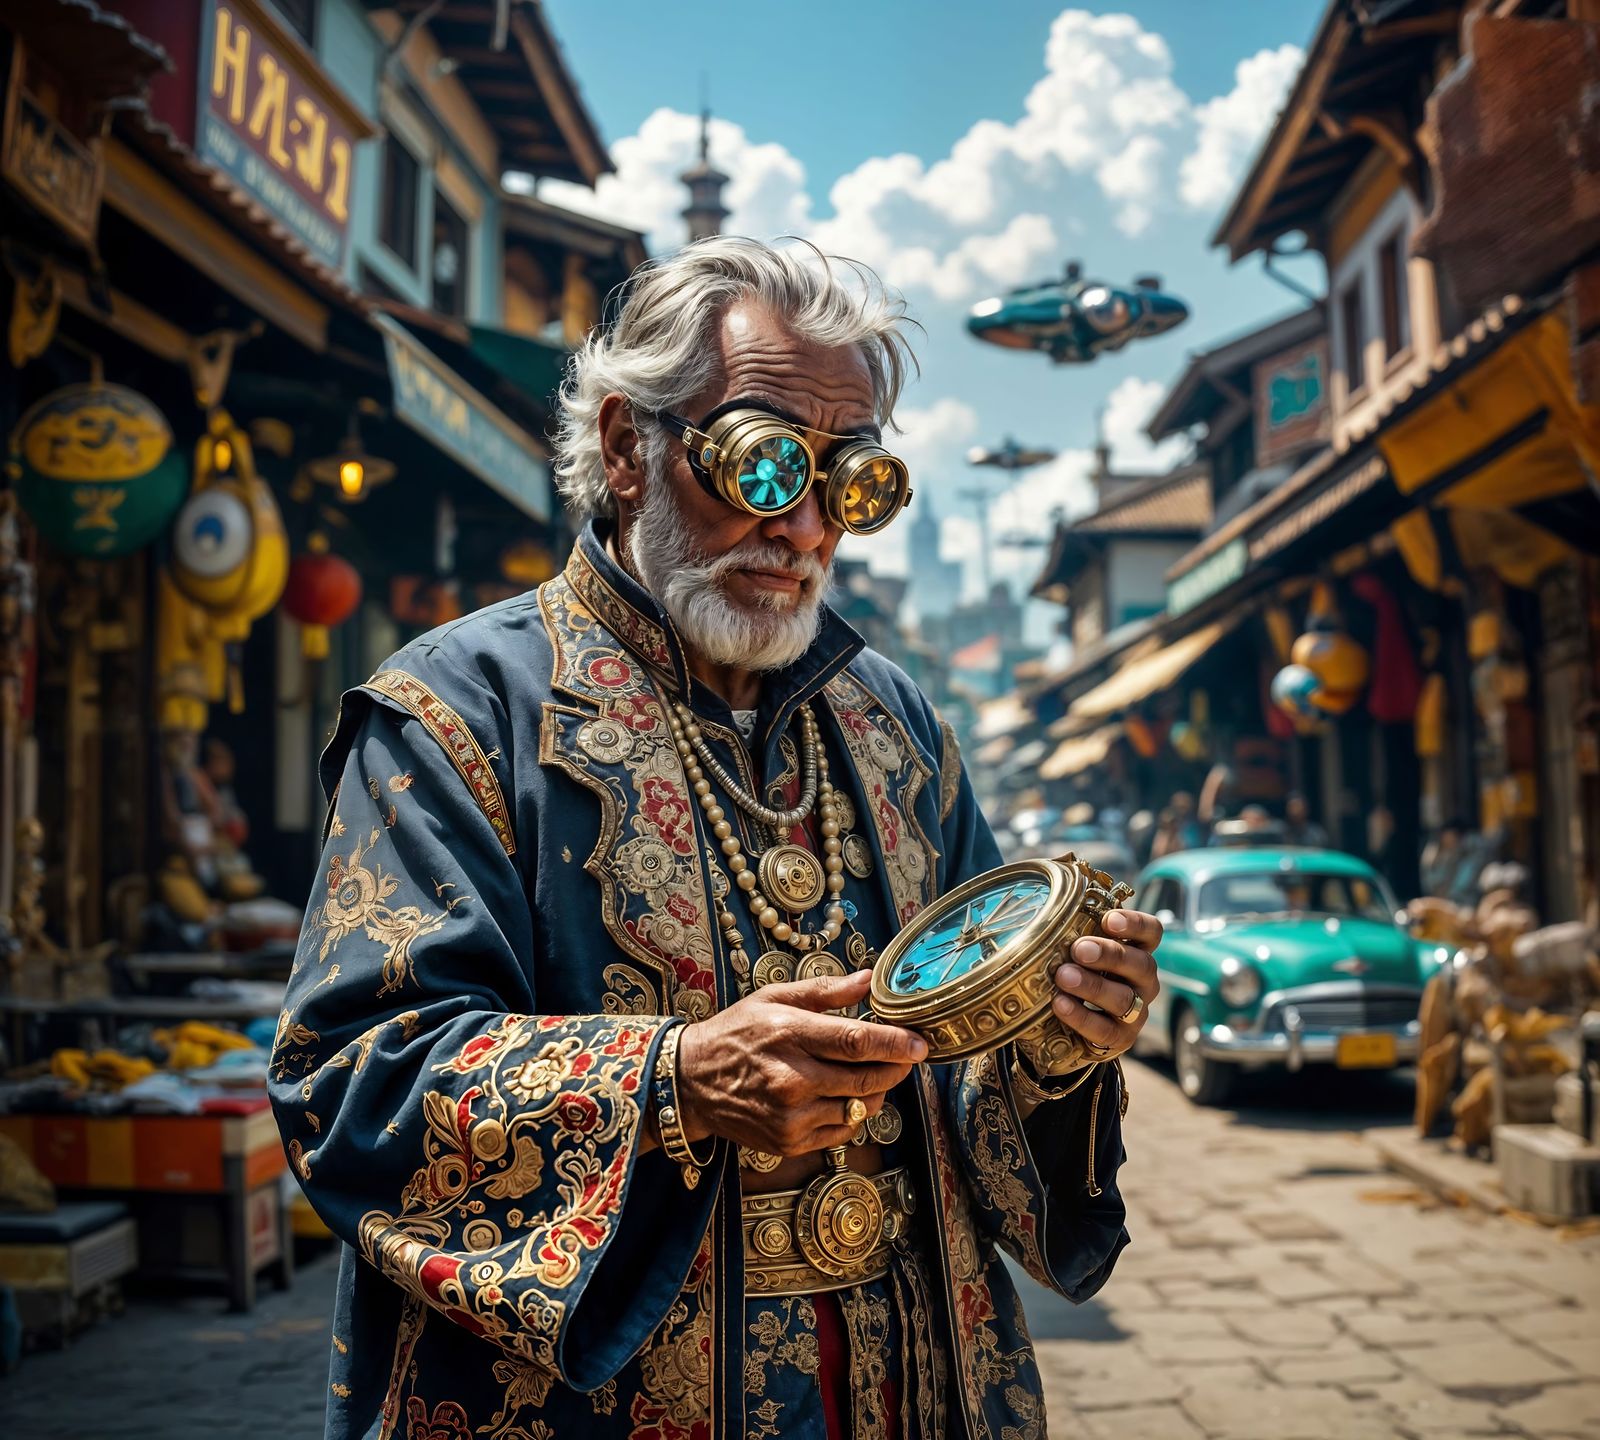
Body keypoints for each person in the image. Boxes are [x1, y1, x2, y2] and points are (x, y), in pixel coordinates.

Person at [268, 239, 1162, 1440]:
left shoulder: (891, 721)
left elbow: (964, 1070)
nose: (797, 527)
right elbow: (348, 1081)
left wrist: (1056, 1038)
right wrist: (673, 1082)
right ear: (629, 448)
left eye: (844, 484)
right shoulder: (457, 712)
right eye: (758, 463)